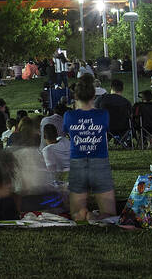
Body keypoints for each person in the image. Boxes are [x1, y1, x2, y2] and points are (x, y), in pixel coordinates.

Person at [63, 75, 115, 221]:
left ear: (75, 96)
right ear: (94, 95)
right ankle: (95, 215)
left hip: (78, 163)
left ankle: (84, 213)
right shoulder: (103, 114)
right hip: (100, 162)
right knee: (109, 214)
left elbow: (66, 131)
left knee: (76, 215)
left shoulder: (69, 115)